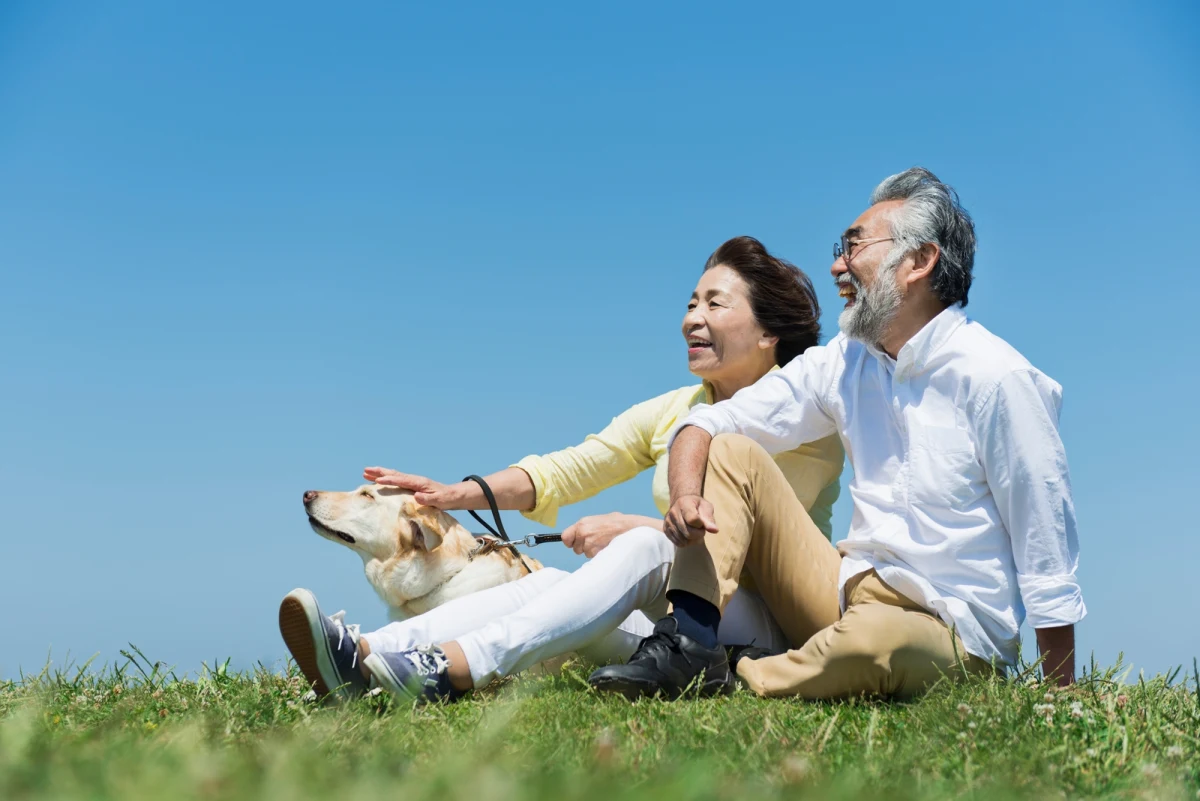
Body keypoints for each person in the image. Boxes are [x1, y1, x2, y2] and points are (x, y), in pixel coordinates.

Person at [590, 168, 1086, 701]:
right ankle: (689, 643)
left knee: (871, 645)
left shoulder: (997, 379)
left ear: (919, 261)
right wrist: (687, 495)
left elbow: (1046, 546)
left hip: (949, 629)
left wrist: (1061, 697)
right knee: (733, 450)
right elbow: (707, 423)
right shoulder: (846, 362)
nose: (836, 266)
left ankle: (743, 674)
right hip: (845, 593)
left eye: (854, 247)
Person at [278, 236, 845, 702]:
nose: (691, 319)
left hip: (769, 625)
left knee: (644, 550)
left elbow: (741, 541)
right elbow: (569, 469)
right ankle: (368, 654)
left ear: (770, 334)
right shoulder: (680, 410)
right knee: (548, 582)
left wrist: (633, 529)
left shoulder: (809, 418)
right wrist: (454, 496)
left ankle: (449, 670)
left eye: (714, 305)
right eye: (691, 302)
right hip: (682, 622)